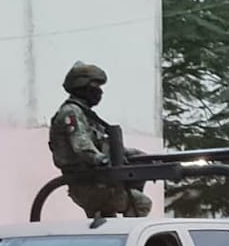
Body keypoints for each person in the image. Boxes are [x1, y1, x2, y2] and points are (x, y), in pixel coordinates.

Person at [48, 62, 153, 218]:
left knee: (107, 220)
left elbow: (105, 146)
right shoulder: (72, 112)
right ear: (82, 86)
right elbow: (83, 147)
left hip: (95, 181)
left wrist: (142, 157)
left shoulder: (86, 115)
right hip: (87, 183)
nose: (99, 92)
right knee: (140, 203)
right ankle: (130, 239)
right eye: (96, 86)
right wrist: (103, 161)